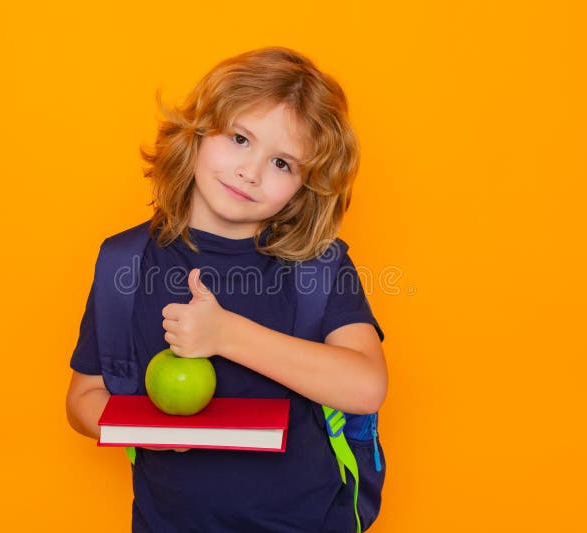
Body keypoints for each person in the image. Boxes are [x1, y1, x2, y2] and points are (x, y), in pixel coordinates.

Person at [66, 46, 388, 532]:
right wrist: (146, 431)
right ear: (196, 133)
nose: (250, 171)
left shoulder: (317, 267)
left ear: (305, 187)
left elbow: (366, 387)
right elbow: (83, 398)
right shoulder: (124, 263)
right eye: (239, 138)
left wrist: (226, 336)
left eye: (282, 163)